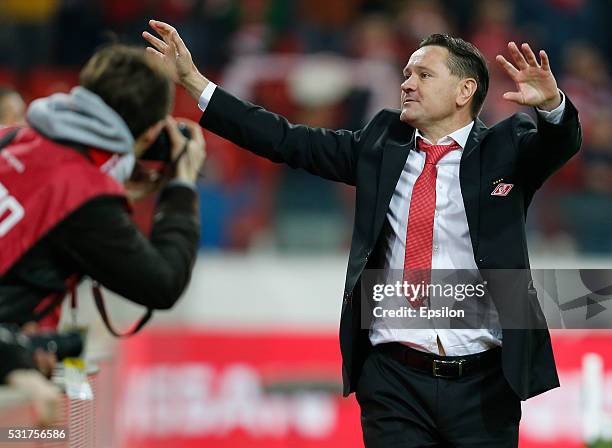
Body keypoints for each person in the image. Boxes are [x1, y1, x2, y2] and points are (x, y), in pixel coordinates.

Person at [143, 21, 581, 447]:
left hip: (485, 385)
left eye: (424, 74)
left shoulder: (507, 147)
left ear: (465, 91)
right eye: (407, 74)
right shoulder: (380, 144)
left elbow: (558, 144)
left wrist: (552, 105)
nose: (407, 83)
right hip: (393, 381)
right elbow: (285, 140)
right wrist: (197, 84)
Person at [0, 44, 206, 330]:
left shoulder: (10, 137)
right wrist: (181, 185)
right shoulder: (85, 200)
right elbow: (163, 284)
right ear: (150, 134)